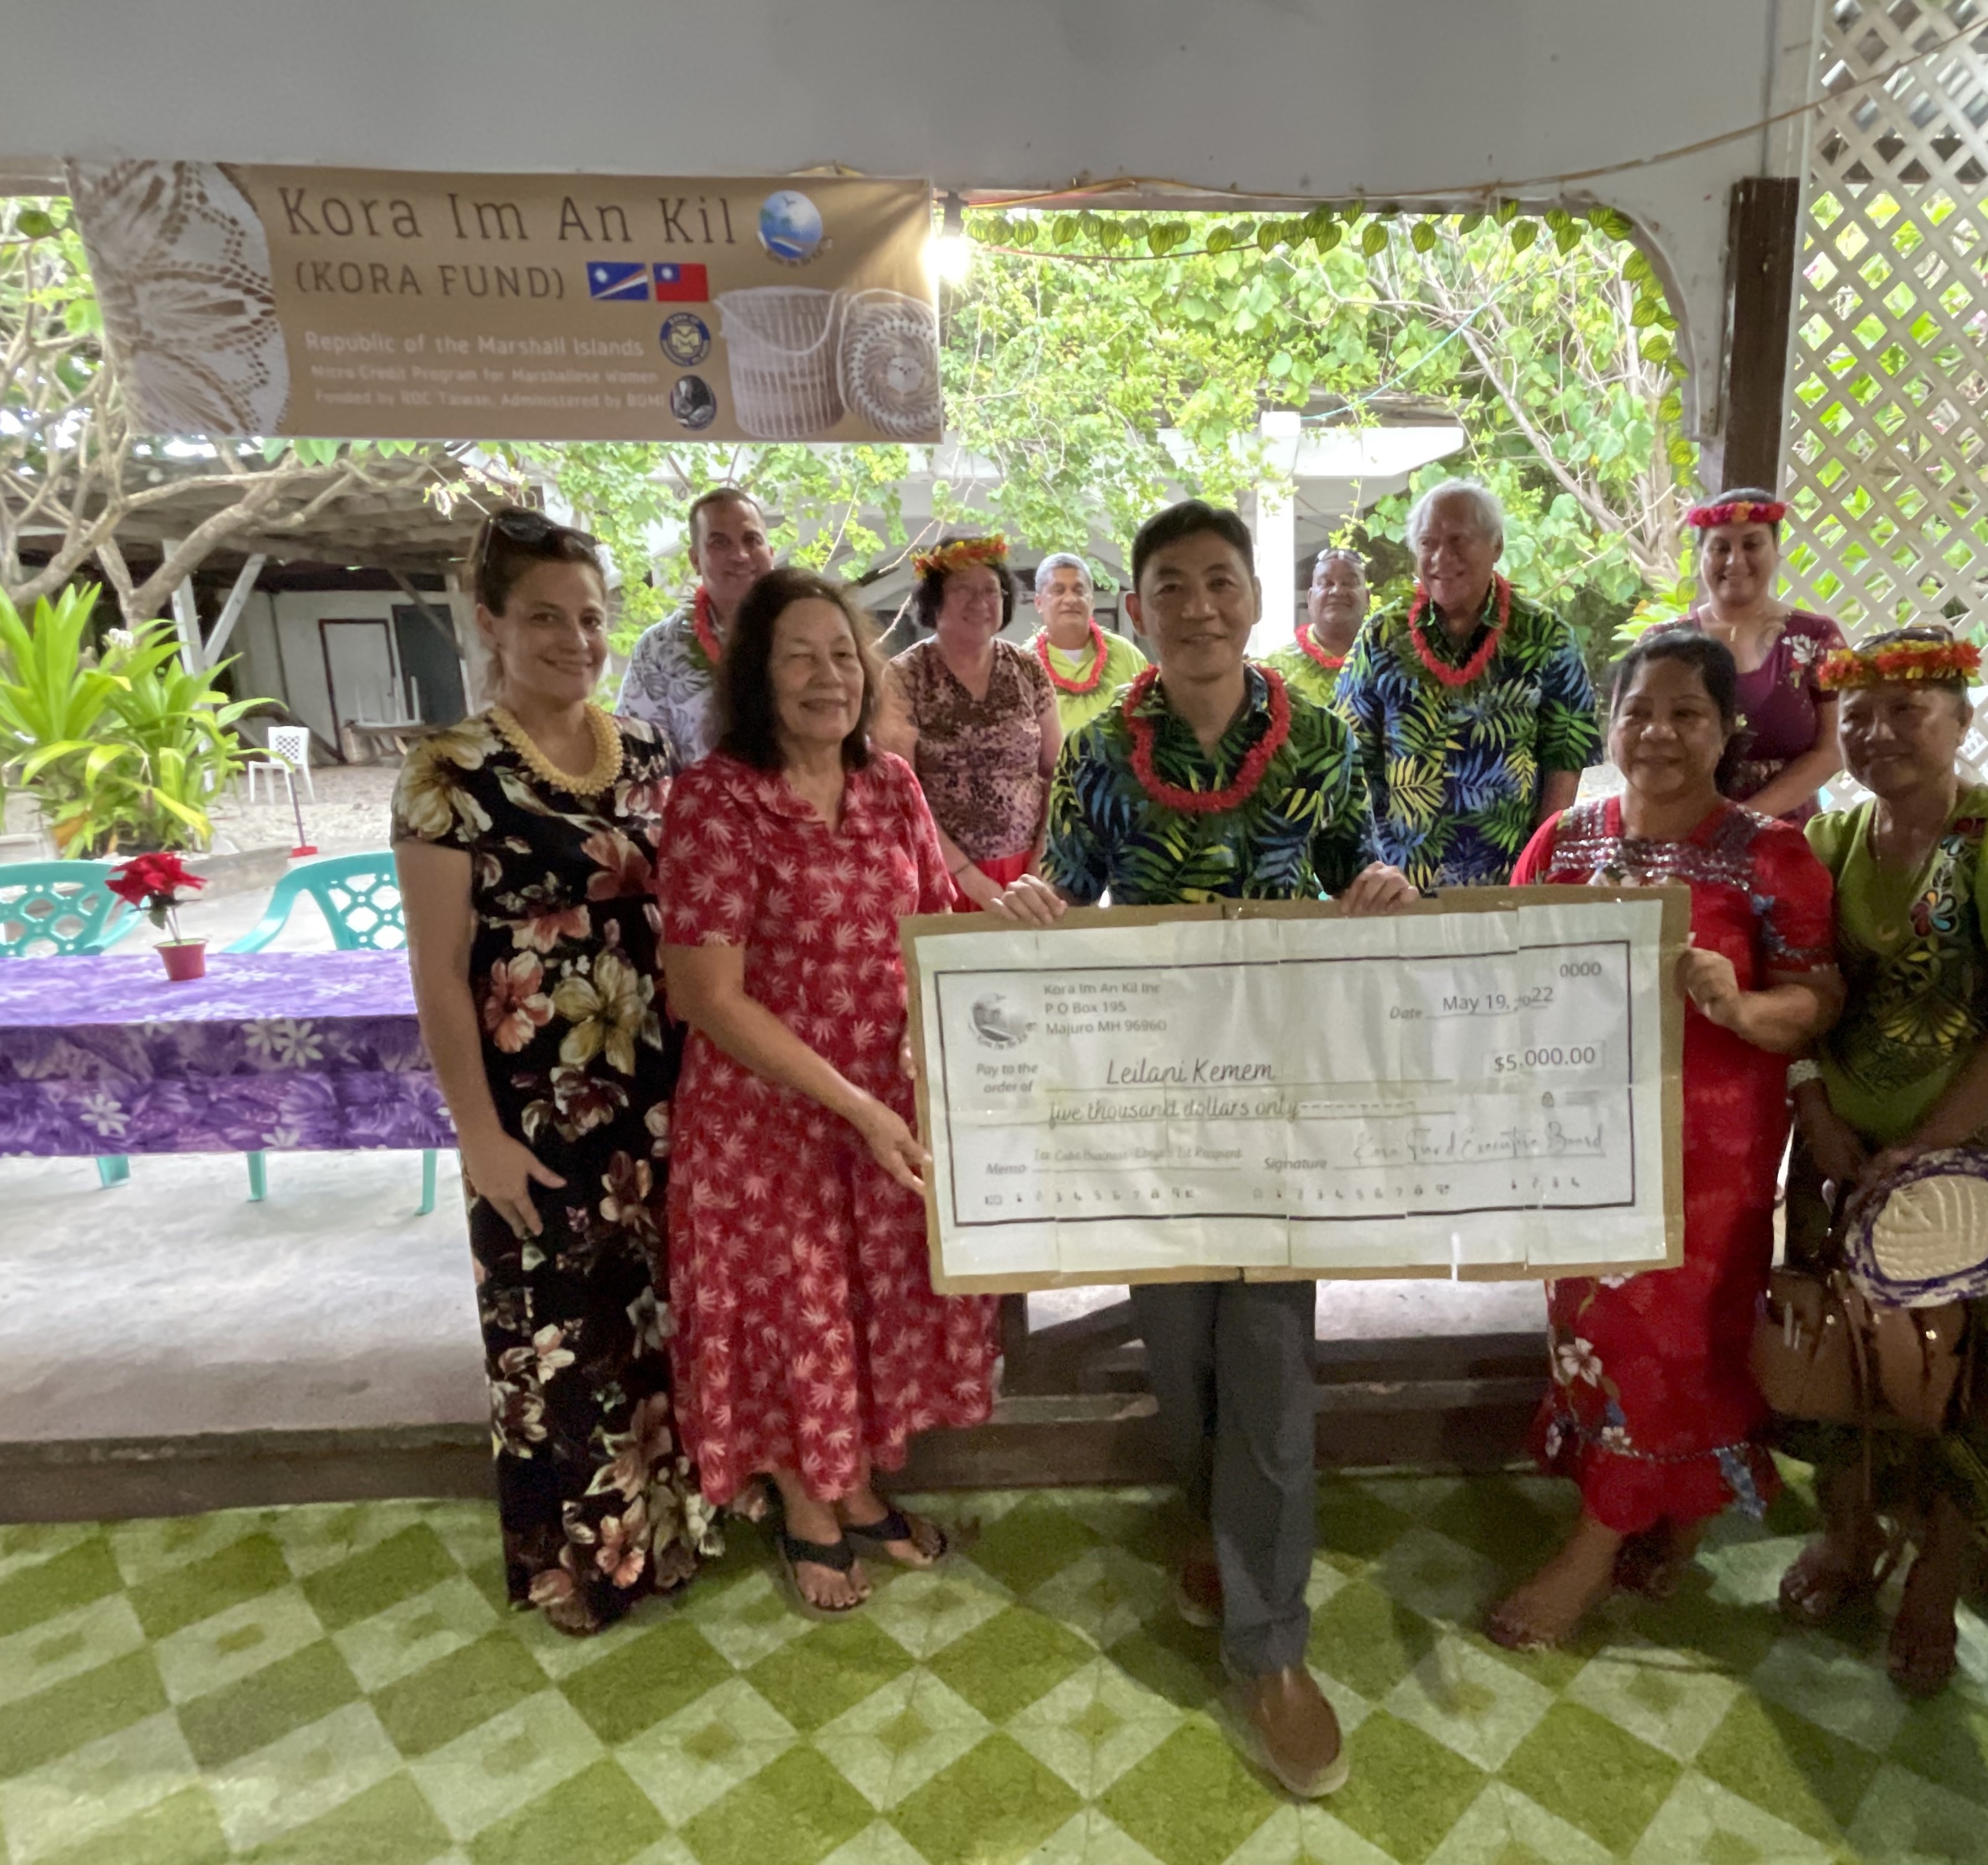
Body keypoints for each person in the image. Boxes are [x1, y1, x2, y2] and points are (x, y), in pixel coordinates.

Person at [992, 500, 1418, 1800]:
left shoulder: (1328, 740)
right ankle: (1219, 1525)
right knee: (1179, 1349)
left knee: (1273, 1356)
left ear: (1252, 600)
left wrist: (1389, 883)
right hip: (1155, 1108)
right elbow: (1066, 881)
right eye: (1167, 585)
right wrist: (1034, 905)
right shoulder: (1102, 749)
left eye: (1218, 581)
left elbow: (1374, 864)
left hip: (1286, 1102)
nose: (1196, 605)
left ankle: (1272, 1645)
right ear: (1135, 610)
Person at [1485, 628, 1843, 1649]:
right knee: (1589, 1331)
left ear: (1727, 729)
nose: (1660, 732)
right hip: (1576, 1143)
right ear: (1611, 722)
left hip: (1707, 1161)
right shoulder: (1563, 841)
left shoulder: (1771, 855)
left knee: (1672, 1341)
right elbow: (1501, 972)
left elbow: (1816, 1002)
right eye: (1640, 710)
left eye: (1687, 712)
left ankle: (1587, 1556)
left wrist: (1737, 1004)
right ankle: (1665, 1516)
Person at [392, 506, 715, 1634]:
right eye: (544, 617)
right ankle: (572, 1562)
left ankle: (665, 1533)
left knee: (656, 1322)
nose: (574, 638)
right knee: (553, 1335)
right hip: (534, 1104)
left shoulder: (652, 750)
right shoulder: (448, 770)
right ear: (490, 623)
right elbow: (437, 972)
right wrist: (475, 1132)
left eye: (588, 616)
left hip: (661, 1093)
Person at [655, 566, 997, 1614]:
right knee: (793, 1310)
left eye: (842, 654)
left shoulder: (892, 785)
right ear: (755, 674)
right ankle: (807, 1501)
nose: (826, 675)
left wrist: (1023, 923)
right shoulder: (717, 798)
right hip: (769, 1119)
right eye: (798, 654)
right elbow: (705, 994)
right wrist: (854, 1100)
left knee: (854, 1308)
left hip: (880, 1116)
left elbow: (938, 919)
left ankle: (855, 1487)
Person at [1776, 624, 1988, 1694]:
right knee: (1844, 1352)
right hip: (1842, 1153)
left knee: (1971, 1371)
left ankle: (1936, 1579)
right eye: (1856, 716)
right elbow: (1807, 991)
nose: (1875, 734)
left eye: (1906, 711)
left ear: (1960, 720)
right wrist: (1816, 1105)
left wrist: (1925, 1142)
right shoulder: (1829, 846)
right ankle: (1850, 1532)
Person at [1337, 480, 1601, 887]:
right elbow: (1350, 761)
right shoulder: (1381, 637)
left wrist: (1538, 873)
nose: (1442, 557)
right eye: (1428, 543)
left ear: (1496, 546)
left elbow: (1564, 763)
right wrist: (1367, 870)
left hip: (1509, 883)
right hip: (1400, 888)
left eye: (1459, 541)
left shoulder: (1547, 637)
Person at [877, 533, 1062, 910]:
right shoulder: (904, 677)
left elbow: (1057, 775)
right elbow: (902, 797)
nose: (981, 602)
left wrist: (1038, 866)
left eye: (991, 591)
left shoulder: (1028, 668)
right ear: (935, 600)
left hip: (1030, 871)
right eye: (963, 589)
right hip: (936, 871)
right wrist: (967, 878)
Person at [1644, 490, 1846, 823]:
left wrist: (1745, 820)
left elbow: (1831, 749)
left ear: (1776, 551)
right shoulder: (1662, 644)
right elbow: (1639, 740)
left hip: (1786, 834)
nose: (1735, 561)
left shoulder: (1817, 638)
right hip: (1682, 828)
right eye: (1721, 547)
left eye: (1751, 545)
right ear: (1701, 556)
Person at [618, 486, 776, 772]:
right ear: (695, 560)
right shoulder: (659, 648)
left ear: (771, 553)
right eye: (720, 543)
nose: (740, 555)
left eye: (752, 540)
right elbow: (639, 758)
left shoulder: (807, 633)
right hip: (695, 812)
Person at [1030, 550, 1148, 733]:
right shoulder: (1022, 666)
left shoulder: (1126, 654)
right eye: (1058, 590)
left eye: (1078, 590)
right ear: (1039, 603)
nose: (1070, 599)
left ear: (1092, 602)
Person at [1262, 545, 1368, 707]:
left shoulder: (1390, 662)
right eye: (1326, 583)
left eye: (1349, 583)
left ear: (1367, 598)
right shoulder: (1274, 669)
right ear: (1310, 598)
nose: (1337, 591)